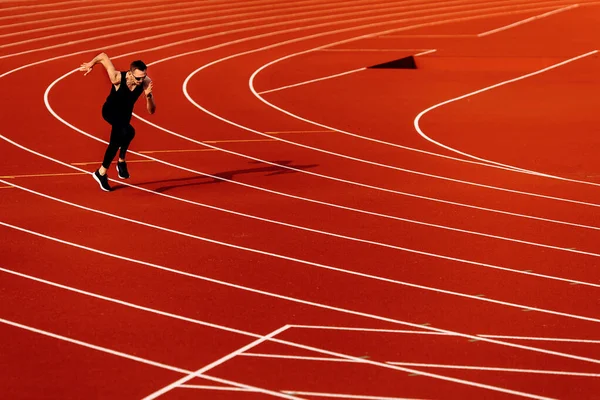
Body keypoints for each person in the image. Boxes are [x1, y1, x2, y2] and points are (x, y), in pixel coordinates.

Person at [79, 53, 156, 191]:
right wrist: (91, 64)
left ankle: (118, 163)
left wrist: (148, 96)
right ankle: (103, 171)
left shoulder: (145, 82)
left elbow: (151, 111)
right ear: (130, 74)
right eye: (138, 77)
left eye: (143, 76)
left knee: (129, 132)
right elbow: (103, 56)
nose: (141, 80)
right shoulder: (117, 78)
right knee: (121, 134)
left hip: (125, 115)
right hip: (110, 111)